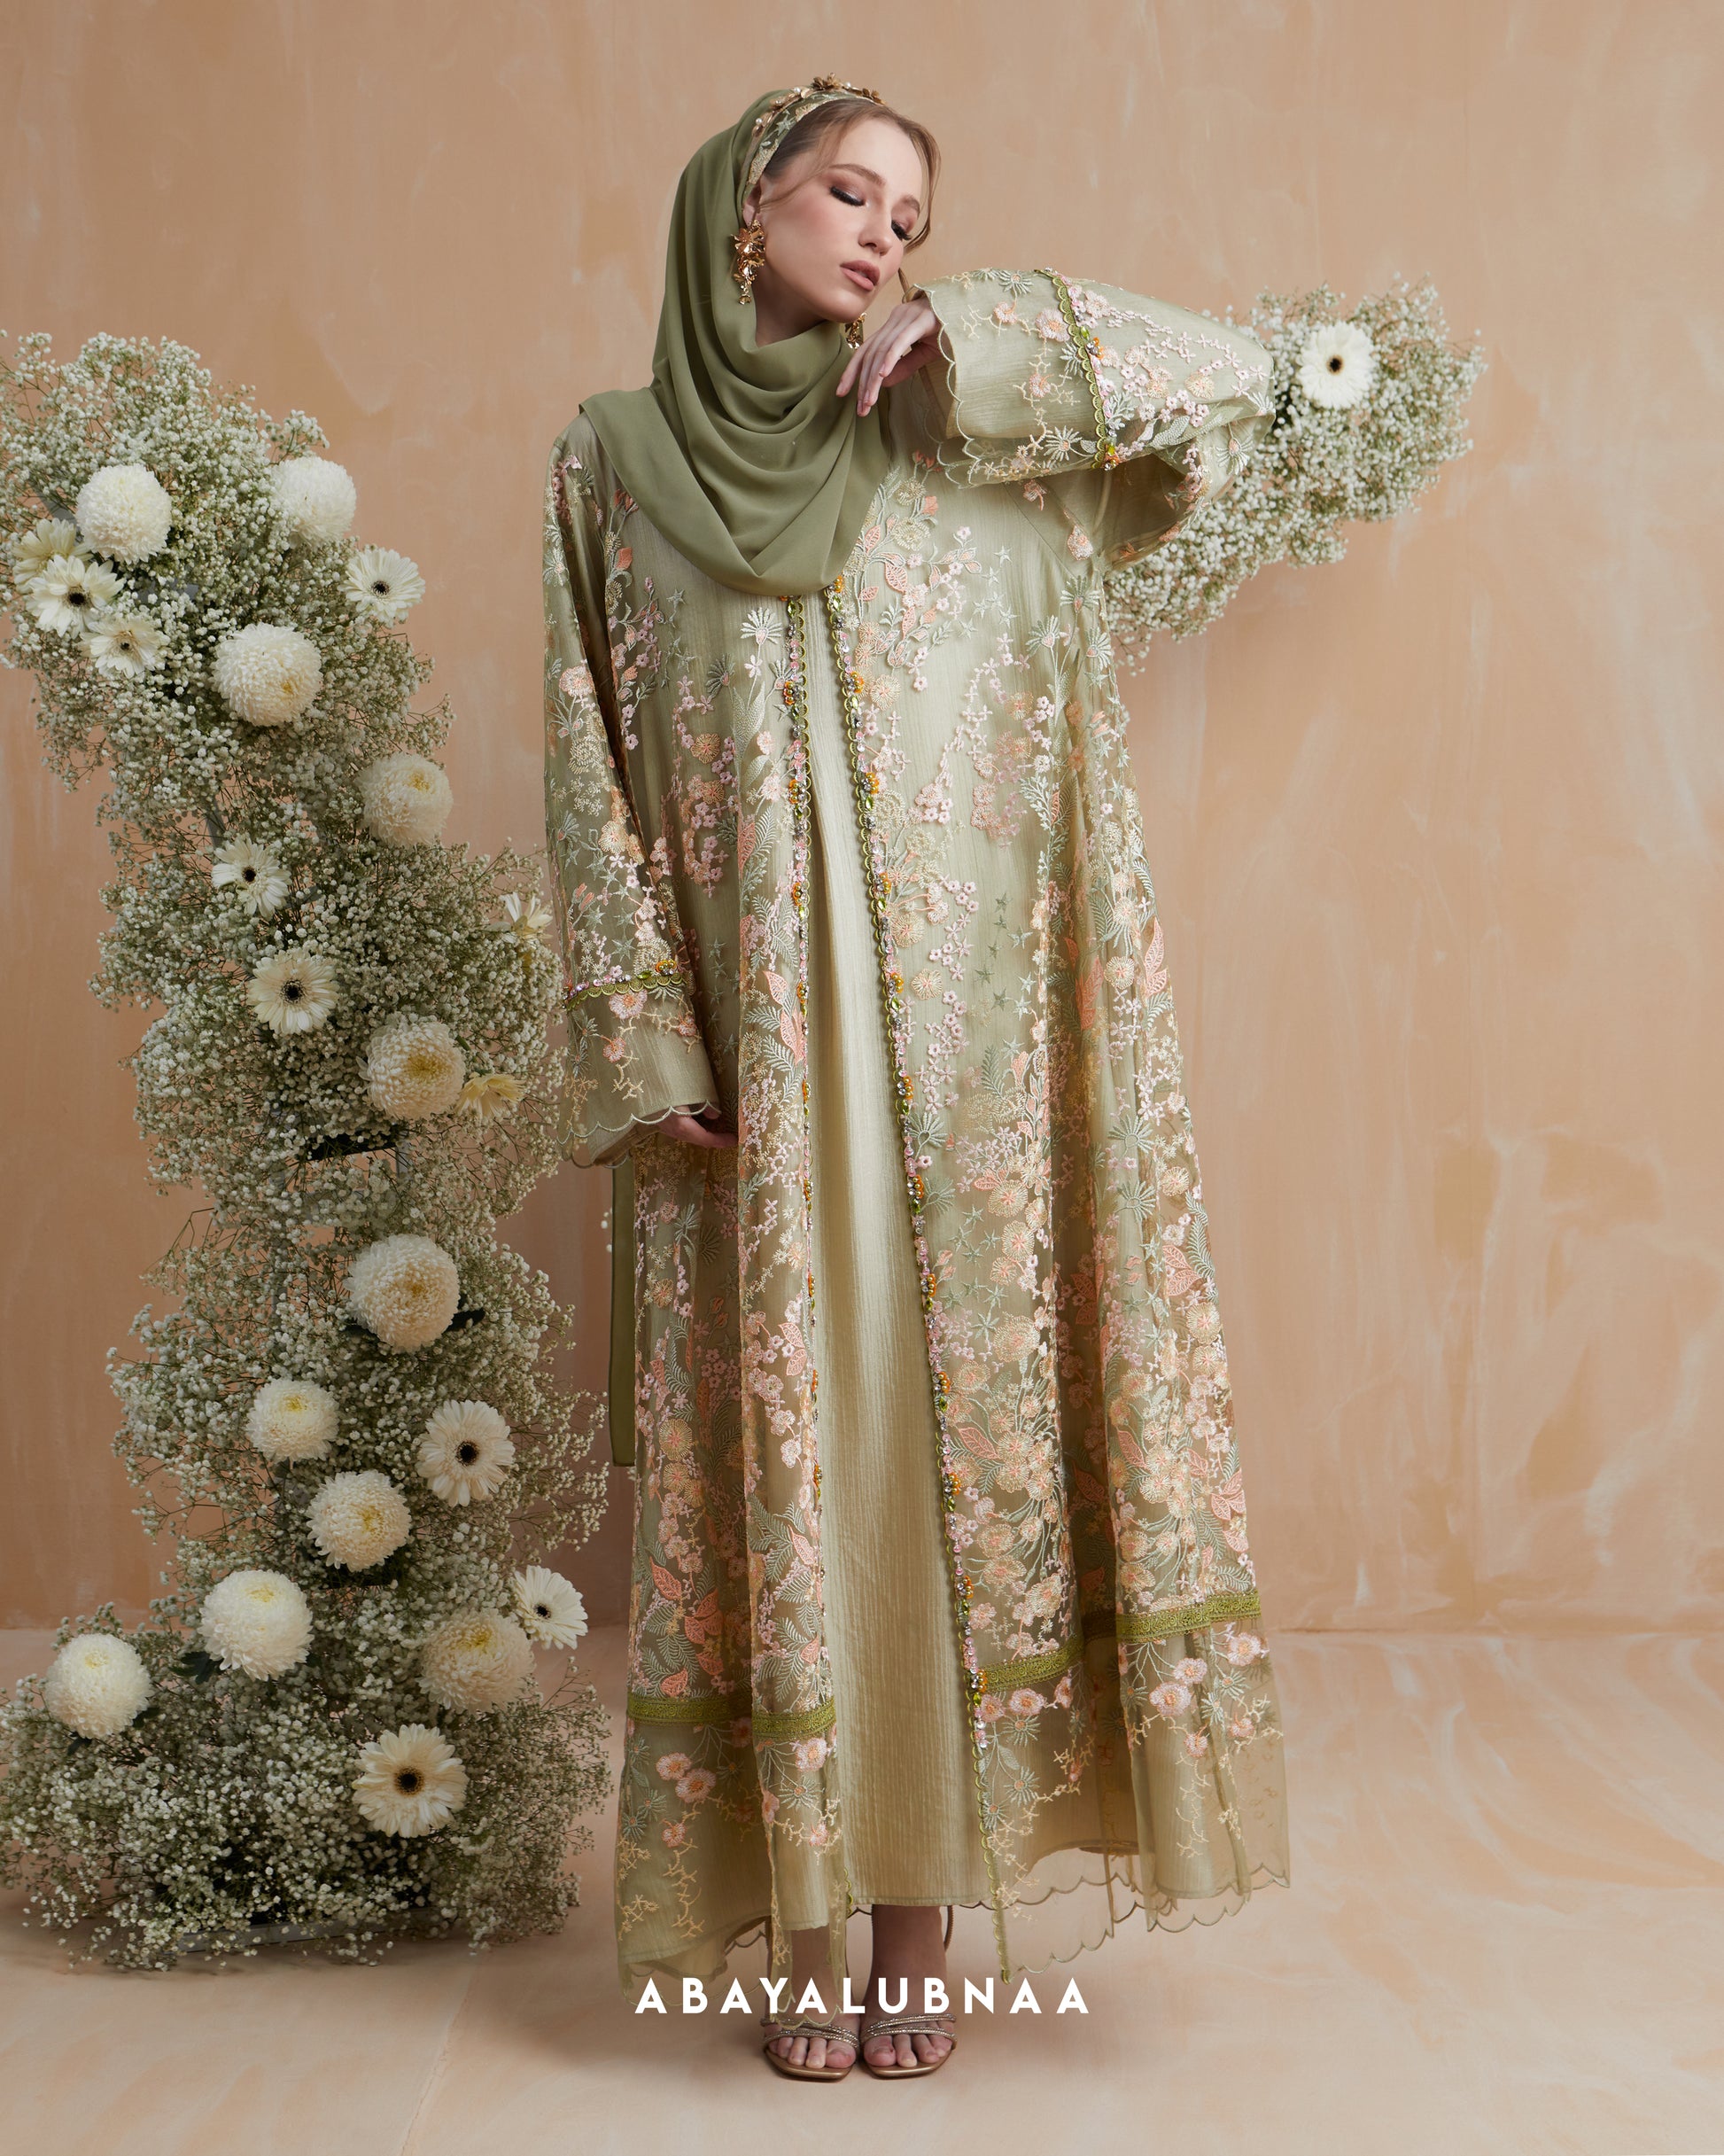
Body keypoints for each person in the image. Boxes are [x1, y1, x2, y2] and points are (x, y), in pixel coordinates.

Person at [542, 77, 1291, 2083]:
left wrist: (998, 327)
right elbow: (586, 753)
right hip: (752, 1071)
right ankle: (801, 1920)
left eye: (912, 217)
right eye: (851, 195)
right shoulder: (613, 462)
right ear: (747, 210)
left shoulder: (972, 437)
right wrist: (642, 1029)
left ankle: (916, 1928)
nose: (884, 235)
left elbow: (1240, 387)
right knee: (804, 1464)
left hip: (968, 1075)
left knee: (951, 1460)